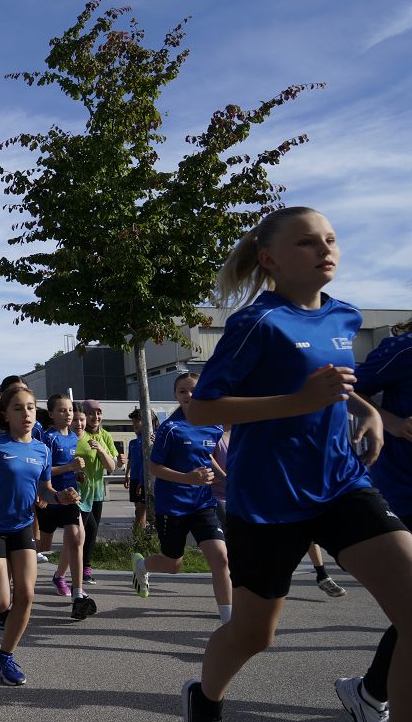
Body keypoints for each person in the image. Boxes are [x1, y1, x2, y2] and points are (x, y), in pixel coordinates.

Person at [179, 207, 411, 722]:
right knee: (253, 634)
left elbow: (333, 382)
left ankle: (373, 700)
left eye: (331, 239)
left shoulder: (345, 315)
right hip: (268, 500)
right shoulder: (256, 323)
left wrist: (369, 411)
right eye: (307, 242)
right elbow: (201, 410)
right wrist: (298, 403)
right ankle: (205, 700)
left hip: (342, 485)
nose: (325, 249)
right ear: (270, 260)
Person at [0, 385, 80, 685]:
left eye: (30, 408)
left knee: (26, 595)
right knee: (1, 603)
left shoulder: (42, 450)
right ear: (6, 415)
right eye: (18, 408)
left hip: (22, 526)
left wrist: (60, 497)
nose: (26, 414)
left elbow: (44, 490)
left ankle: (5, 657)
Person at [335, 316, 412, 722]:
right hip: (405, 488)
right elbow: (347, 387)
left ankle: (370, 691)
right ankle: (371, 692)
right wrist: (389, 421)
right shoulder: (405, 349)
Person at [130, 372, 232, 625]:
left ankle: (229, 623)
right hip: (172, 506)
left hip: (203, 503)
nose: (189, 395)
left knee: (221, 558)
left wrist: (223, 477)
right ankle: (142, 566)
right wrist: (188, 478)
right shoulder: (170, 428)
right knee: (173, 565)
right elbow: (154, 468)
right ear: (176, 396)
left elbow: (205, 454)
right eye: (183, 391)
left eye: (194, 389)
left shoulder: (214, 426)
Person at [38, 395, 95, 619]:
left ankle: (78, 592)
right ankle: (10, 557)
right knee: (43, 545)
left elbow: (68, 468)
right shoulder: (48, 438)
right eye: (62, 410)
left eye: (70, 410)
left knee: (76, 538)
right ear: (51, 414)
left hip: (70, 497)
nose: (68, 414)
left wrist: (76, 474)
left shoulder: (72, 437)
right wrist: (69, 467)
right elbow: (44, 471)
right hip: (50, 497)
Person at [74, 399, 122, 585]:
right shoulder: (79, 434)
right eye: (91, 413)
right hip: (79, 493)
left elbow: (113, 466)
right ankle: (79, 568)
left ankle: (84, 567)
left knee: (91, 532)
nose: (96, 416)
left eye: (99, 413)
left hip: (97, 492)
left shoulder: (105, 435)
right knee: (86, 530)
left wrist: (103, 451)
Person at [124, 408, 158, 534]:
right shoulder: (134, 442)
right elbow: (131, 460)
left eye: (137, 421)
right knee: (138, 511)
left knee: (145, 511)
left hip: (146, 479)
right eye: (133, 422)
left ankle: (144, 538)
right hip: (134, 478)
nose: (134, 424)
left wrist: (142, 482)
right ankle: (140, 538)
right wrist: (127, 475)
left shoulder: (153, 438)